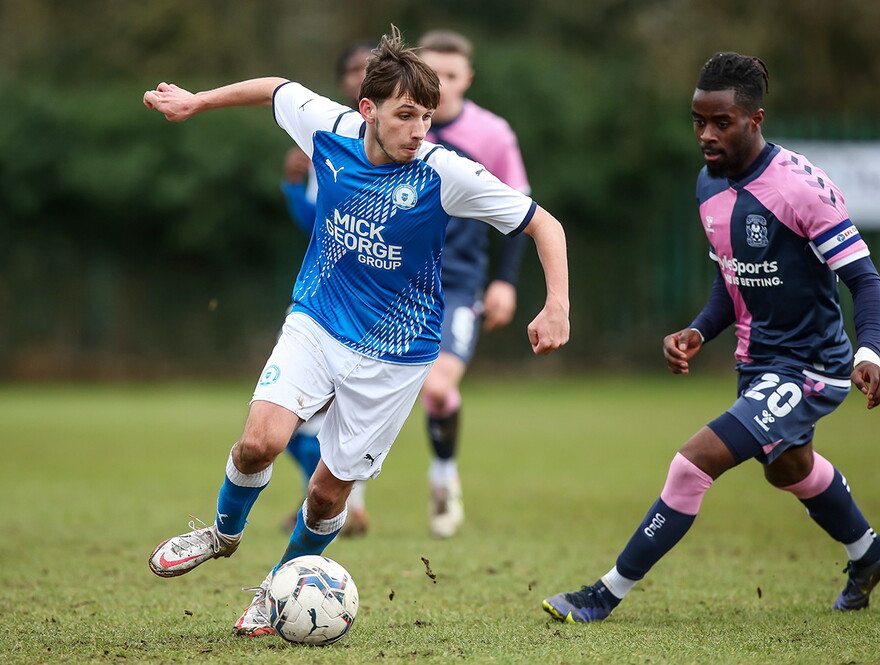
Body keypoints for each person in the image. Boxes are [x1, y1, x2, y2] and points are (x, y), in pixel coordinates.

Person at [143, 26, 570, 638]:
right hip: (316, 320)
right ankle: (221, 533)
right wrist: (196, 101)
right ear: (367, 110)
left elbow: (544, 225)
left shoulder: (444, 172)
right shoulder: (331, 127)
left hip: (395, 355)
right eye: (405, 115)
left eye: (427, 116)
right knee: (259, 443)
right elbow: (274, 89)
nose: (420, 130)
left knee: (325, 495)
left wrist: (556, 305)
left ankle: (277, 588)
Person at [542, 52, 880, 623]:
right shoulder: (708, 183)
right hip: (757, 362)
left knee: (693, 464)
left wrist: (868, 352)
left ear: (755, 119)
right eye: (698, 122)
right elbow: (730, 280)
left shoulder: (800, 189)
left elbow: (865, 281)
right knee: (787, 467)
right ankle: (871, 552)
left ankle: (603, 594)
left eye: (721, 123)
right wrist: (697, 330)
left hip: (811, 367)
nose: (706, 135)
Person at [283, 30, 534, 539]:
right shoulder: (362, 134)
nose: (435, 94)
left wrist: (505, 282)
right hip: (375, 286)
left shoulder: (489, 135)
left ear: (466, 80)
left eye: (451, 77)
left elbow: (523, 212)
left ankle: (443, 479)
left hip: (457, 283)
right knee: (321, 396)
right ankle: (345, 499)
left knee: (438, 391)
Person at [279, 40, 377, 536]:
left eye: (372, 68)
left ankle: (338, 506)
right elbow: (316, 224)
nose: (363, 75)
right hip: (328, 292)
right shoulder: (329, 135)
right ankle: (337, 505)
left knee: (321, 416)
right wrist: (293, 188)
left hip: (373, 305)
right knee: (300, 418)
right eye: (356, 70)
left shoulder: (410, 140)